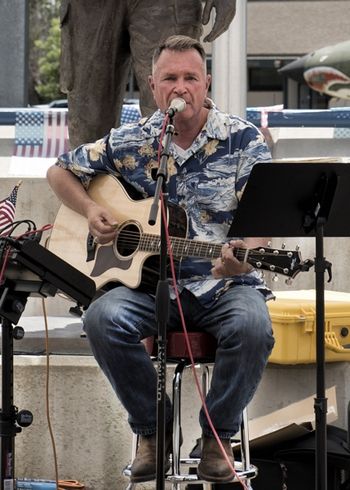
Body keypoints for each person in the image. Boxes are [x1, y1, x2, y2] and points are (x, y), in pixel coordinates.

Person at [47, 35, 275, 484]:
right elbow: (59, 171)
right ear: (153, 86)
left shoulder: (242, 139)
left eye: (190, 77)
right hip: (149, 289)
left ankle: (216, 436)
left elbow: (264, 221)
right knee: (100, 319)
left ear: (206, 82)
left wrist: (243, 258)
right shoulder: (131, 140)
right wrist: (93, 211)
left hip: (223, 285)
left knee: (254, 327)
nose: (180, 87)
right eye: (170, 78)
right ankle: (153, 428)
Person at [59, 0, 237, 148]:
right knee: (88, 124)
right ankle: (90, 189)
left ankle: (171, 190)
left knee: (172, 113)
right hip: (88, 6)